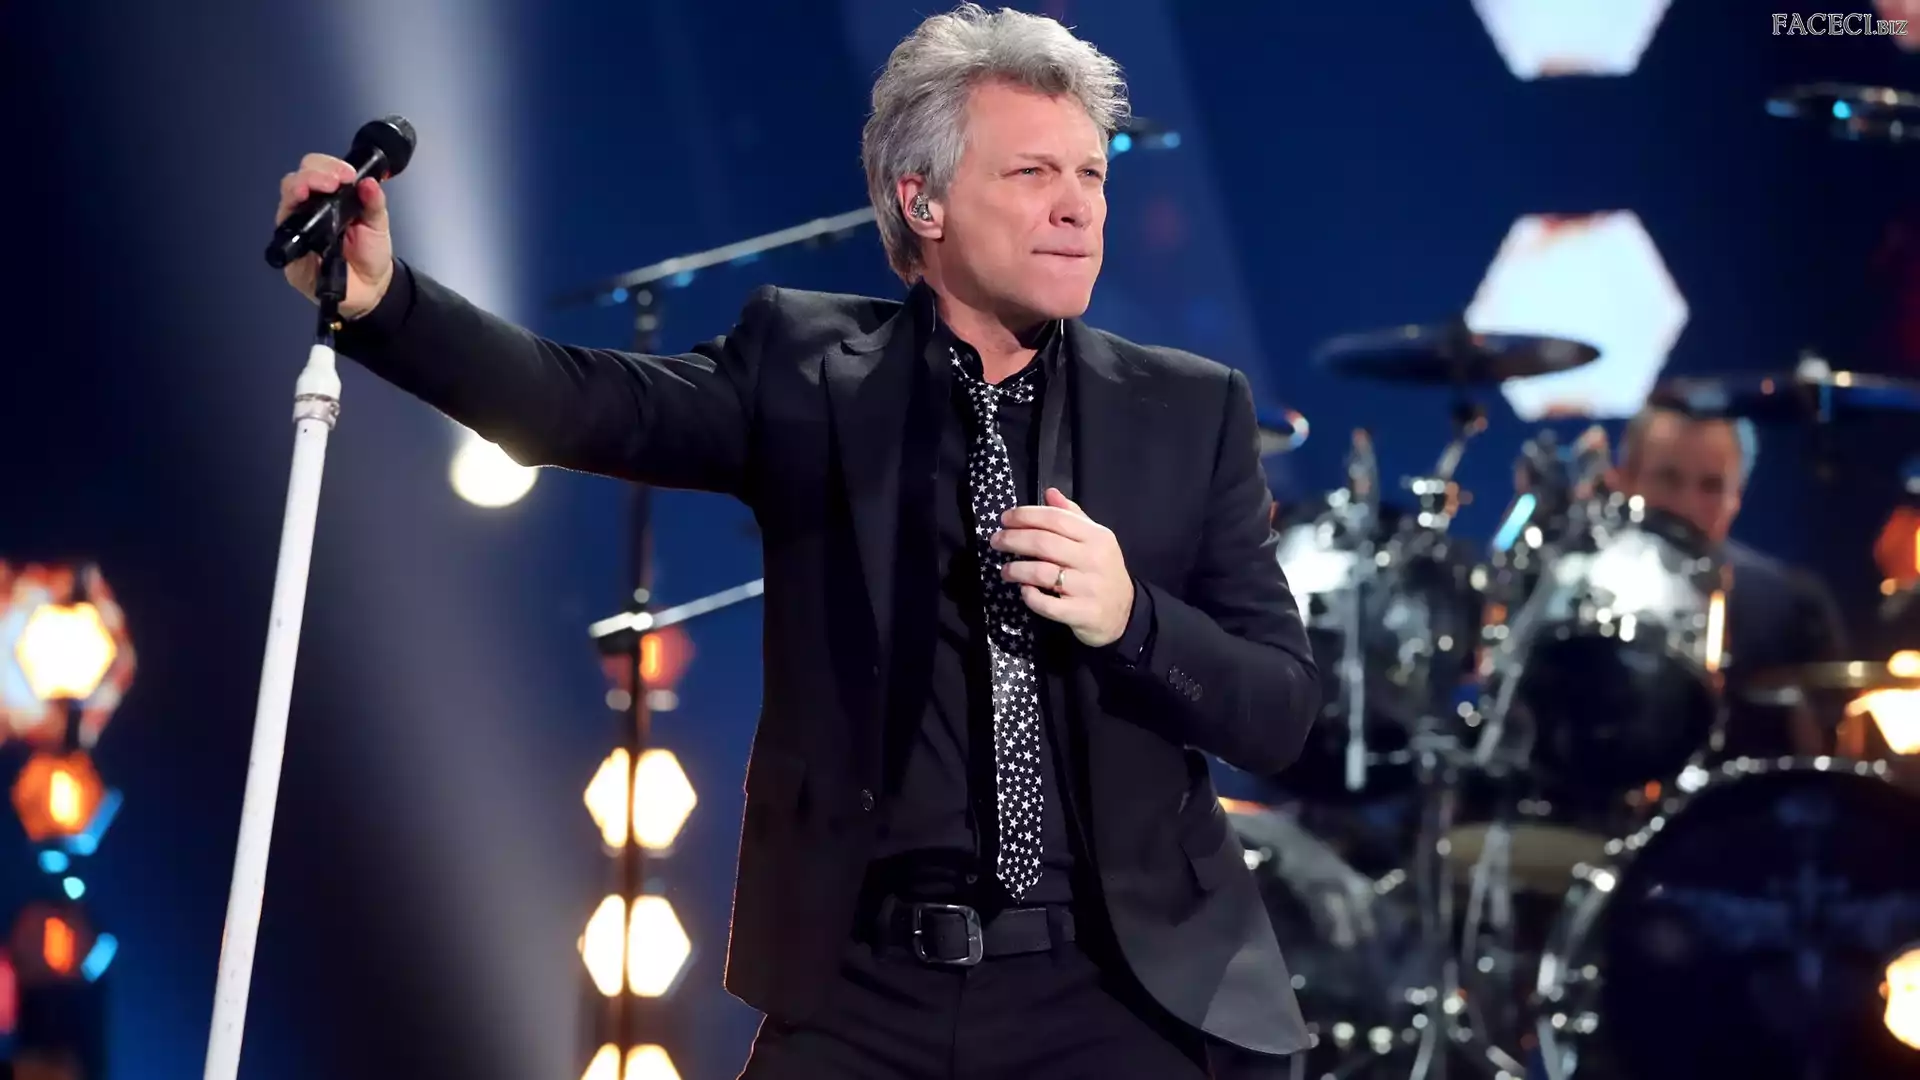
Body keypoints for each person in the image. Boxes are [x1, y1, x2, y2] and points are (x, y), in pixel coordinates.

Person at [273, 6, 1319, 1078]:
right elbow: (574, 402)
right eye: (1032, 173)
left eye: (1092, 174)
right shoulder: (811, 371)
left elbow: (1281, 709)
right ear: (922, 201)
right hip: (869, 992)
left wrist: (1132, 619)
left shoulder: (1188, 411)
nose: (1077, 206)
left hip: (1111, 986)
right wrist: (386, 303)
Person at [1603, 405, 1849, 756]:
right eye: (1668, 479)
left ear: (1737, 497)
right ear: (1624, 482)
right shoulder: (1570, 588)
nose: (1687, 506)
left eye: (1712, 486)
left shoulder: (1794, 609)